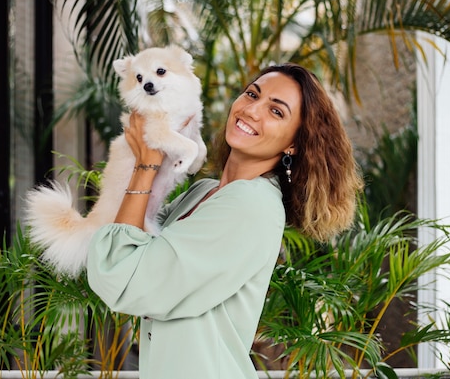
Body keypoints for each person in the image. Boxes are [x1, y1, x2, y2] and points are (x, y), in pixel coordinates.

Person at [86, 63, 363, 379]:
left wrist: (147, 162)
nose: (252, 110)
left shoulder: (250, 206)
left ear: (294, 143)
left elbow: (123, 277)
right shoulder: (206, 192)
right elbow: (130, 244)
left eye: (276, 112)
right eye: (252, 94)